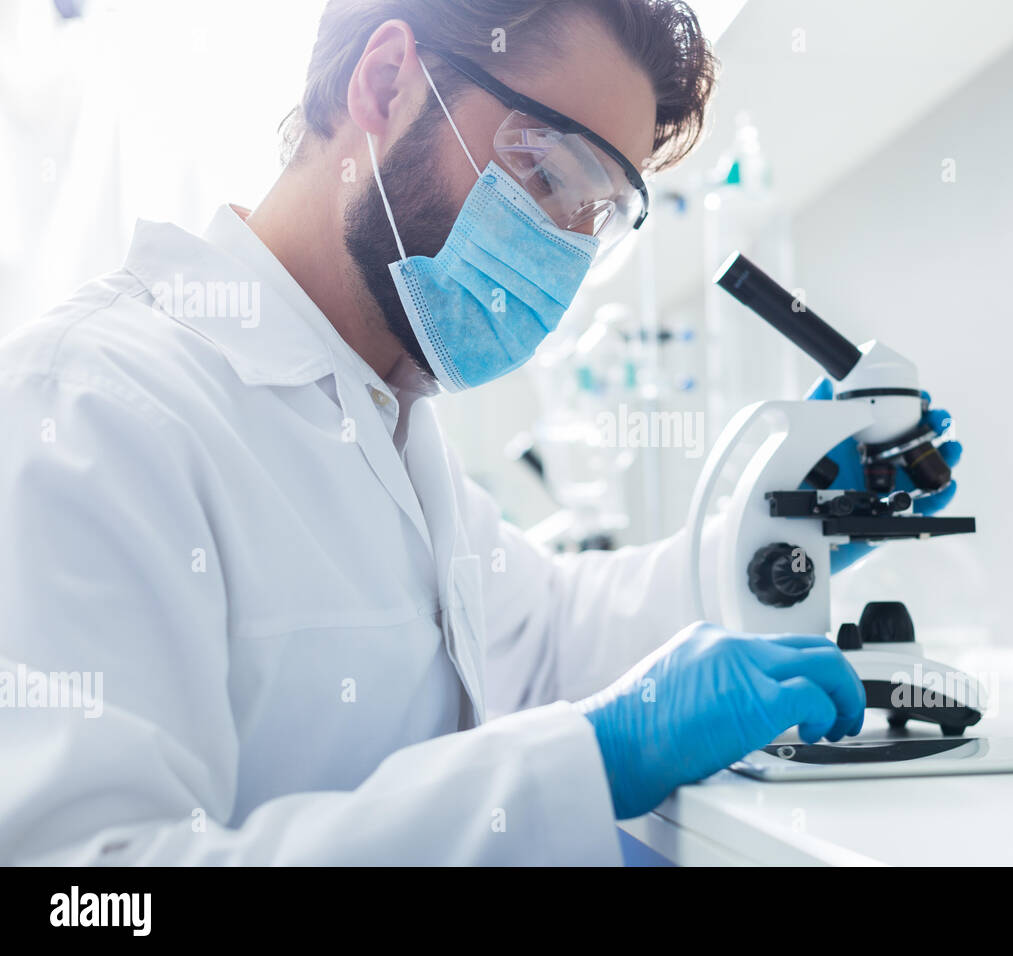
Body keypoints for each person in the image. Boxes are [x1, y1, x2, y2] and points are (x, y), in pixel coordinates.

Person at [0, 0, 955, 865]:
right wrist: (590, 761)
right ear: (385, 82)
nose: (566, 248)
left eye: (600, 213)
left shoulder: (387, 420)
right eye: (546, 168)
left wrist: (788, 531)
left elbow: (546, 638)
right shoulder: (91, 406)